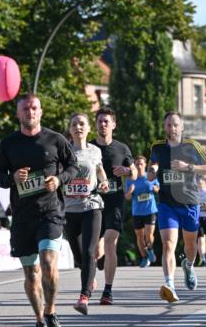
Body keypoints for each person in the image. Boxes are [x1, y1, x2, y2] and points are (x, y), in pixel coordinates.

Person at [0, 92, 78, 327]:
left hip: (50, 211)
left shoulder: (56, 140)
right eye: (26, 109)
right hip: (22, 216)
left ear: (41, 112)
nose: (30, 112)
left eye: (35, 108)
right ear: (18, 113)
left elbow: (73, 167)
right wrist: (12, 179)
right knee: (31, 274)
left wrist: (59, 180)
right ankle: (39, 321)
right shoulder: (8, 144)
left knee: (49, 262)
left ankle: (51, 313)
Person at [148, 111, 206, 303]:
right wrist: (151, 171)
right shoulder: (157, 147)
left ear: (182, 127)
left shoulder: (192, 146)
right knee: (168, 244)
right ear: (164, 127)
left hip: (189, 203)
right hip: (167, 204)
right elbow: (153, 168)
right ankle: (169, 284)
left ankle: (189, 265)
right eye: (168, 125)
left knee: (190, 245)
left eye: (175, 125)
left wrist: (188, 167)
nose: (172, 128)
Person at [64, 111, 109, 315]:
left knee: (90, 252)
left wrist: (104, 180)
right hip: (70, 209)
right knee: (79, 256)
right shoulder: (64, 151)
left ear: (88, 128)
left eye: (82, 124)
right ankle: (90, 277)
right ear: (70, 129)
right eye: (74, 124)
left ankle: (84, 297)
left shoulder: (94, 151)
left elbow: (99, 170)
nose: (78, 127)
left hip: (91, 205)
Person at [90, 106, 135, 305]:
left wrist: (125, 170)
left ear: (113, 125)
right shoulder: (88, 148)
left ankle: (107, 291)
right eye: (100, 121)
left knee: (110, 242)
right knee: (93, 249)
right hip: (93, 201)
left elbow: (134, 172)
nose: (103, 124)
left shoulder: (122, 148)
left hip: (115, 201)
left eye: (107, 121)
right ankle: (92, 274)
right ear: (96, 124)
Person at [124, 155, 158, 268]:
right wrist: (130, 191)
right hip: (137, 212)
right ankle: (144, 258)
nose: (139, 166)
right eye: (137, 164)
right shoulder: (130, 180)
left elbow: (158, 188)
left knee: (149, 235)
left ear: (145, 165)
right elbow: (127, 197)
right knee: (139, 236)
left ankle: (150, 249)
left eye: (141, 164)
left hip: (150, 210)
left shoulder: (151, 176)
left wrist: (155, 189)